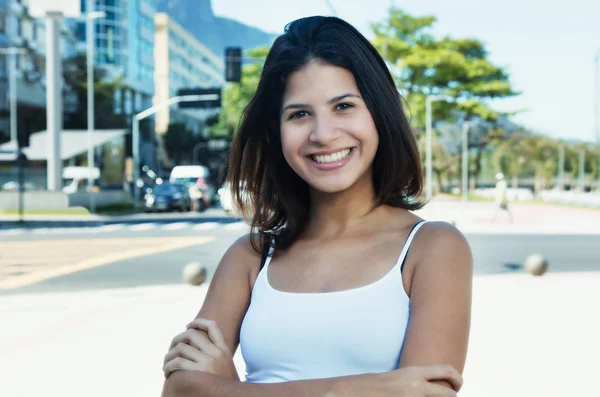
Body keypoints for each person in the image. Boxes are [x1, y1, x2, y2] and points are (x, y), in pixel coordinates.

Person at [161, 16, 473, 397]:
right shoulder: (251, 257)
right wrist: (363, 389)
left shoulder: (432, 247)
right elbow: (178, 391)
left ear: (379, 113)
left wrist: (227, 387)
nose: (323, 134)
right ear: (277, 133)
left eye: (343, 106)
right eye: (299, 114)